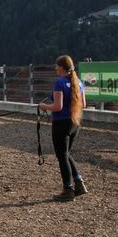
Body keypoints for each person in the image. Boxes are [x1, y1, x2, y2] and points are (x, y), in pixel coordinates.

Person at [39, 55, 88, 202]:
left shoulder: (59, 83)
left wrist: (43, 106)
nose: (55, 68)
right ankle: (78, 182)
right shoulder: (79, 82)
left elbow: (57, 106)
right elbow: (84, 104)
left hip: (61, 123)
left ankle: (68, 190)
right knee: (66, 154)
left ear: (61, 67)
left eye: (56, 66)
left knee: (62, 157)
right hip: (75, 122)